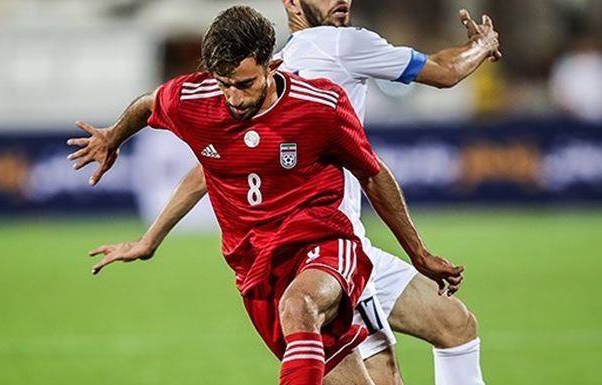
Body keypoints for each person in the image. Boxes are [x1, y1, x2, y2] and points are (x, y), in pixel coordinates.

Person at [79, 1, 501, 384]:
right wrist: (115, 146)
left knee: (323, 309)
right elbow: (190, 145)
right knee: (433, 340)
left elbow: (373, 172)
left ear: (270, 64)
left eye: (242, 84)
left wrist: (419, 252)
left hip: (333, 244)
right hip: (266, 266)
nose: (233, 98)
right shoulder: (219, 93)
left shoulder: (315, 95)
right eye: (225, 84)